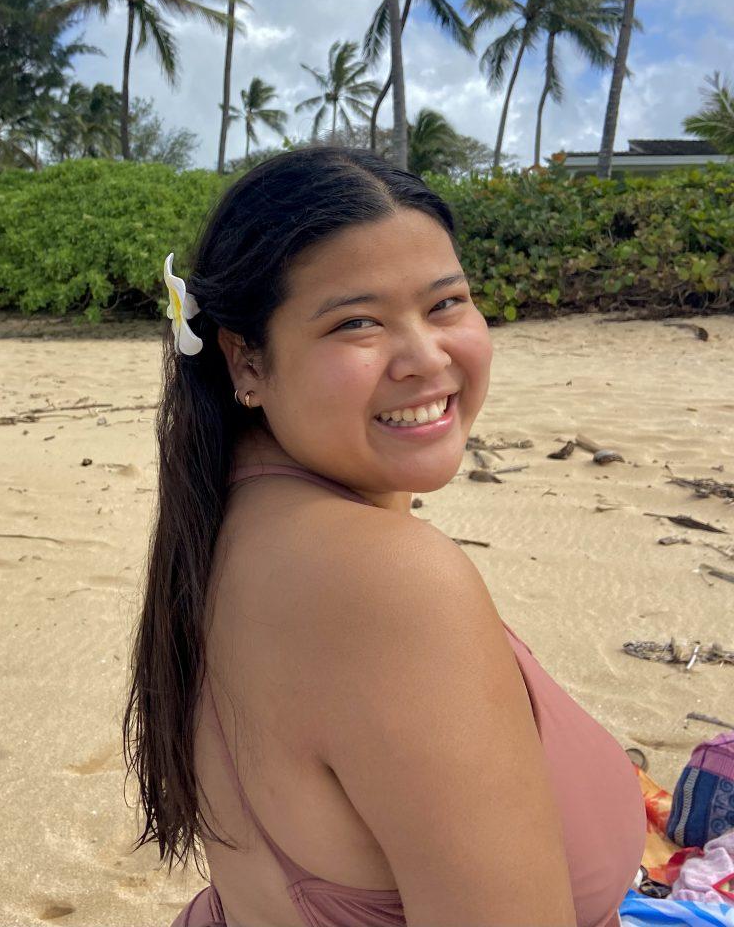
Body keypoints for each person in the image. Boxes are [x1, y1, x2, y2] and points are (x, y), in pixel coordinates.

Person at [122, 147, 645, 926]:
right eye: (356, 322)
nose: (426, 358)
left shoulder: (226, 522)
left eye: (446, 304)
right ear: (246, 360)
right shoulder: (389, 583)